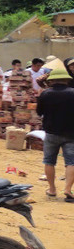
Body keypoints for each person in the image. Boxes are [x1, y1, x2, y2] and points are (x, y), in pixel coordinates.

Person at [37, 60, 74, 201]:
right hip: (71, 133)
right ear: (66, 80)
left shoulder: (45, 94)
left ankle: (52, 189)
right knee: (71, 162)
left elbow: (39, 112)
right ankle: (68, 189)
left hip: (51, 132)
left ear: (51, 81)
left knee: (49, 161)